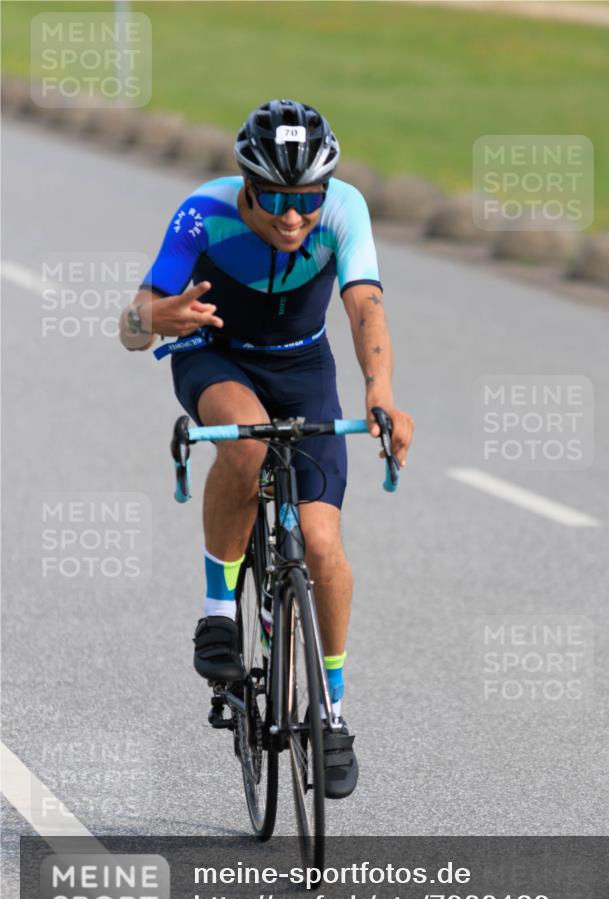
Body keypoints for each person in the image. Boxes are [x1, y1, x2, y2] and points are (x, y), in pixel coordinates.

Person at [119, 99, 414, 799]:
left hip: (303, 366)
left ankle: (331, 711)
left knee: (322, 545)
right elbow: (132, 328)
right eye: (276, 198)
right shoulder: (202, 214)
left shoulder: (344, 210)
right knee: (247, 444)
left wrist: (380, 393)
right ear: (247, 187)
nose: (292, 217)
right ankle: (219, 615)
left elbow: (365, 306)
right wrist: (153, 316)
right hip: (216, 357)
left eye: (306, 199)